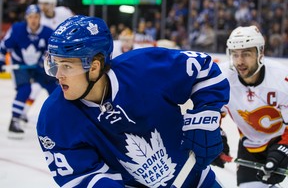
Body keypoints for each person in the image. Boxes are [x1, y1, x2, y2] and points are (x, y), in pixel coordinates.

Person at [36, 15, 230, 187]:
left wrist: (206, 115)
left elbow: (205, 70)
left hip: (197, 179)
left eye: (67, 66)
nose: (58, 75)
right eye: (55, 64)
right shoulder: (55, 118)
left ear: (94, 67)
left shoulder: (144, 69)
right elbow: (83, 177)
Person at [217, 25, 288, 187]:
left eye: (246, 54)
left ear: (260, 53)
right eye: (235, 54)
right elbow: (212, 115)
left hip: (281, 141)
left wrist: (284, 149)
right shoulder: (222, 79)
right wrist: (215, 137)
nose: (239, 61)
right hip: (249, 146)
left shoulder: (282, 80)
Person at [0, 4, 57, 139]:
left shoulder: (47, 32)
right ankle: (14, 121)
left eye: (36, 17)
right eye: (30, 17)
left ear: (40, 18)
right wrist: (1, 61)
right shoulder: (17, 29)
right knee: (25, 89)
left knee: (55, 89)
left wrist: (46, 65)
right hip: (20, 64)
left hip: (38, 66)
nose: (33, 20)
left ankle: (60, 119)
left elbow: (53, 53)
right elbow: (4, 47)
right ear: (26, 18)